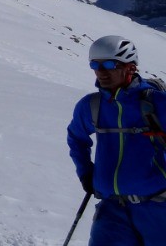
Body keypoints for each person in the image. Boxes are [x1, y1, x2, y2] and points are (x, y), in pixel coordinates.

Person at [67, 35, 166, 245]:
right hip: (112, 210)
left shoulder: (157, 103)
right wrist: (85, 172)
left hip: (159, 208)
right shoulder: (91, 106)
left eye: (110, 65)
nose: (101, 72)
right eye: (95, 65)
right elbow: (76, 138)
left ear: (131, 67)